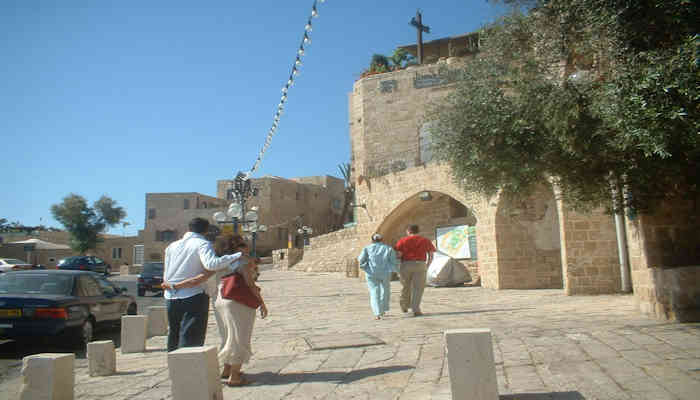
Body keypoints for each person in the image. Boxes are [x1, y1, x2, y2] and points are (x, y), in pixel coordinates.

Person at [161, 217, 244, 352]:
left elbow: (167, 272)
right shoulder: (202, 244)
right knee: (191, 337)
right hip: (193, 294)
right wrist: (237, 255)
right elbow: (211, 264)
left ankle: (175, 369)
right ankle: (190, 371)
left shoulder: (172, 246)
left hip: (171, 296)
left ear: (189, 228)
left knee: (174, 334)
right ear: (206, 230)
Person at [217, 241, 268, 387]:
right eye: (244, 248)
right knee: (240, 337)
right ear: (238, 249)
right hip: (238, 302)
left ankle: (227, 369)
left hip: (222, 299)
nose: (247, 250)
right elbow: (250, 284)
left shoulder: (222, 260)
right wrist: (262, 303)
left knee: (229, 335)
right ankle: (234, 377)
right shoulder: (242, 261)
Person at [394, 224, 435, 317]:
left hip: (406, 264)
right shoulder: (425, 240)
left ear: (408, 231)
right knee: (418, 288)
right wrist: (427, 264)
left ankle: (404, 305)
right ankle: (415, 309)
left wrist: (398, 265)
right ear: (418, 231)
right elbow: (431, 254)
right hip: (420, 264)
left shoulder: (402, 241)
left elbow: (399, 255)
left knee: (405, 286)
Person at [358, 233, 399, 320]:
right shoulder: (388, 248)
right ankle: (383, 309)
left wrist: (365, 267)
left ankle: (377, 313)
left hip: (371, 273)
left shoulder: (367, 248)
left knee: (374, 291)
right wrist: (394, 270)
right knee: (385, 291)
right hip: (385, 273)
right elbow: (393, 261)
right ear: (382, 240)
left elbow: (361, 260)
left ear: (372, 240)